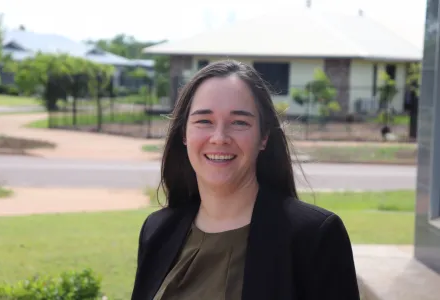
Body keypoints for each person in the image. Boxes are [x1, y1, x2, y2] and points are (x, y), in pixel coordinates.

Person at [131, 60, 360, 300]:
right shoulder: (157, 231)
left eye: (239, 122)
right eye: (204, 121)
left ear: (263, 137)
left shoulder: (314, 237)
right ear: (183, 134)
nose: (219, 138)